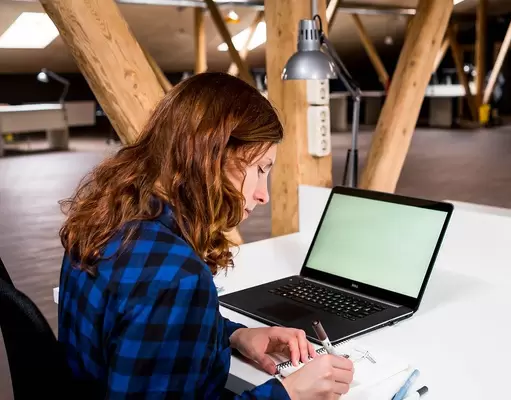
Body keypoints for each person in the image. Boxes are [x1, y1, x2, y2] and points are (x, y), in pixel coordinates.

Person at [57, 72, 354, 399]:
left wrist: (233, 335)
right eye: (258, 169)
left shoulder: (106, 218)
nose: (262, 194)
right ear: (212, 157)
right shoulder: (178, 278)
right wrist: (290, 393)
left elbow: (143, 330)